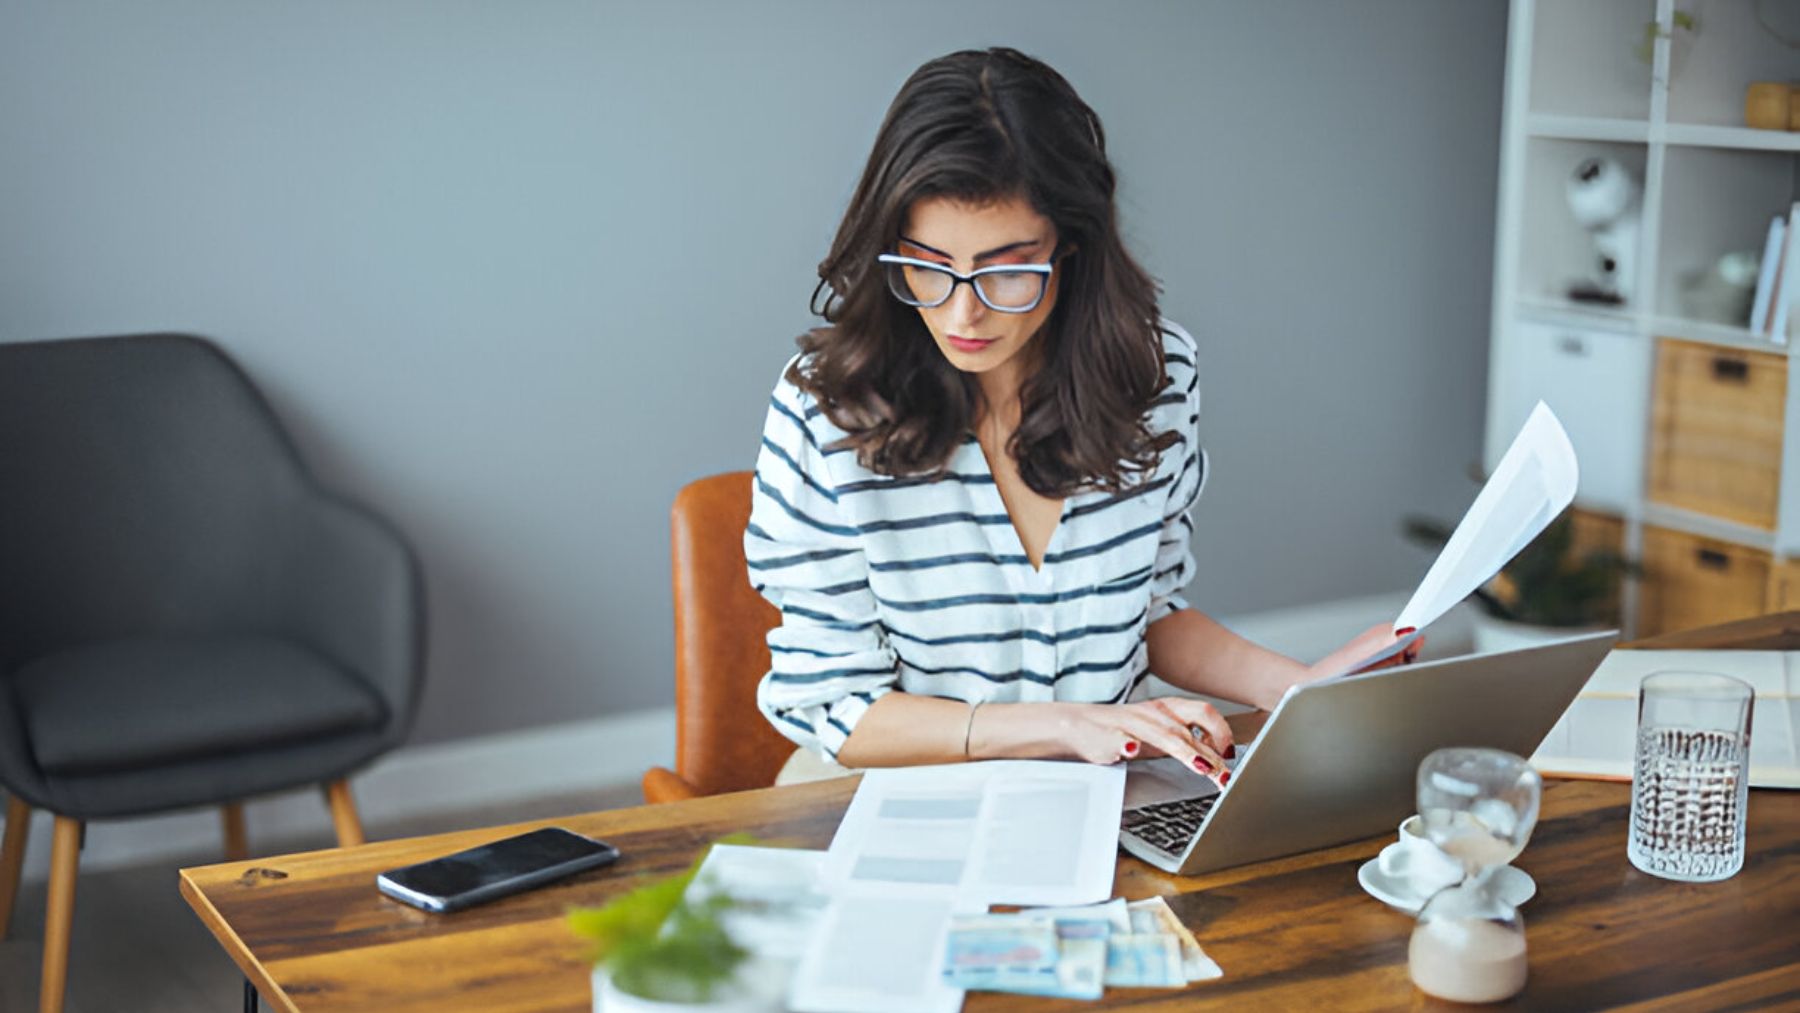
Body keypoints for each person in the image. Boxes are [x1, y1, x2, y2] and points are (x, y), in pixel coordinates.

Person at [745, 47, 1414, 786]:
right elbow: (834, 703)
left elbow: (1151, 614)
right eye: (927, 265)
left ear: (1072, 245)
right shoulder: (825, 410)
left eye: (1006, 268)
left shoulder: (1155, 377)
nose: (962, 310)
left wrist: (1299, 689)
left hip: (1100, 789)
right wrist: (1065, 724)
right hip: (895, 792)